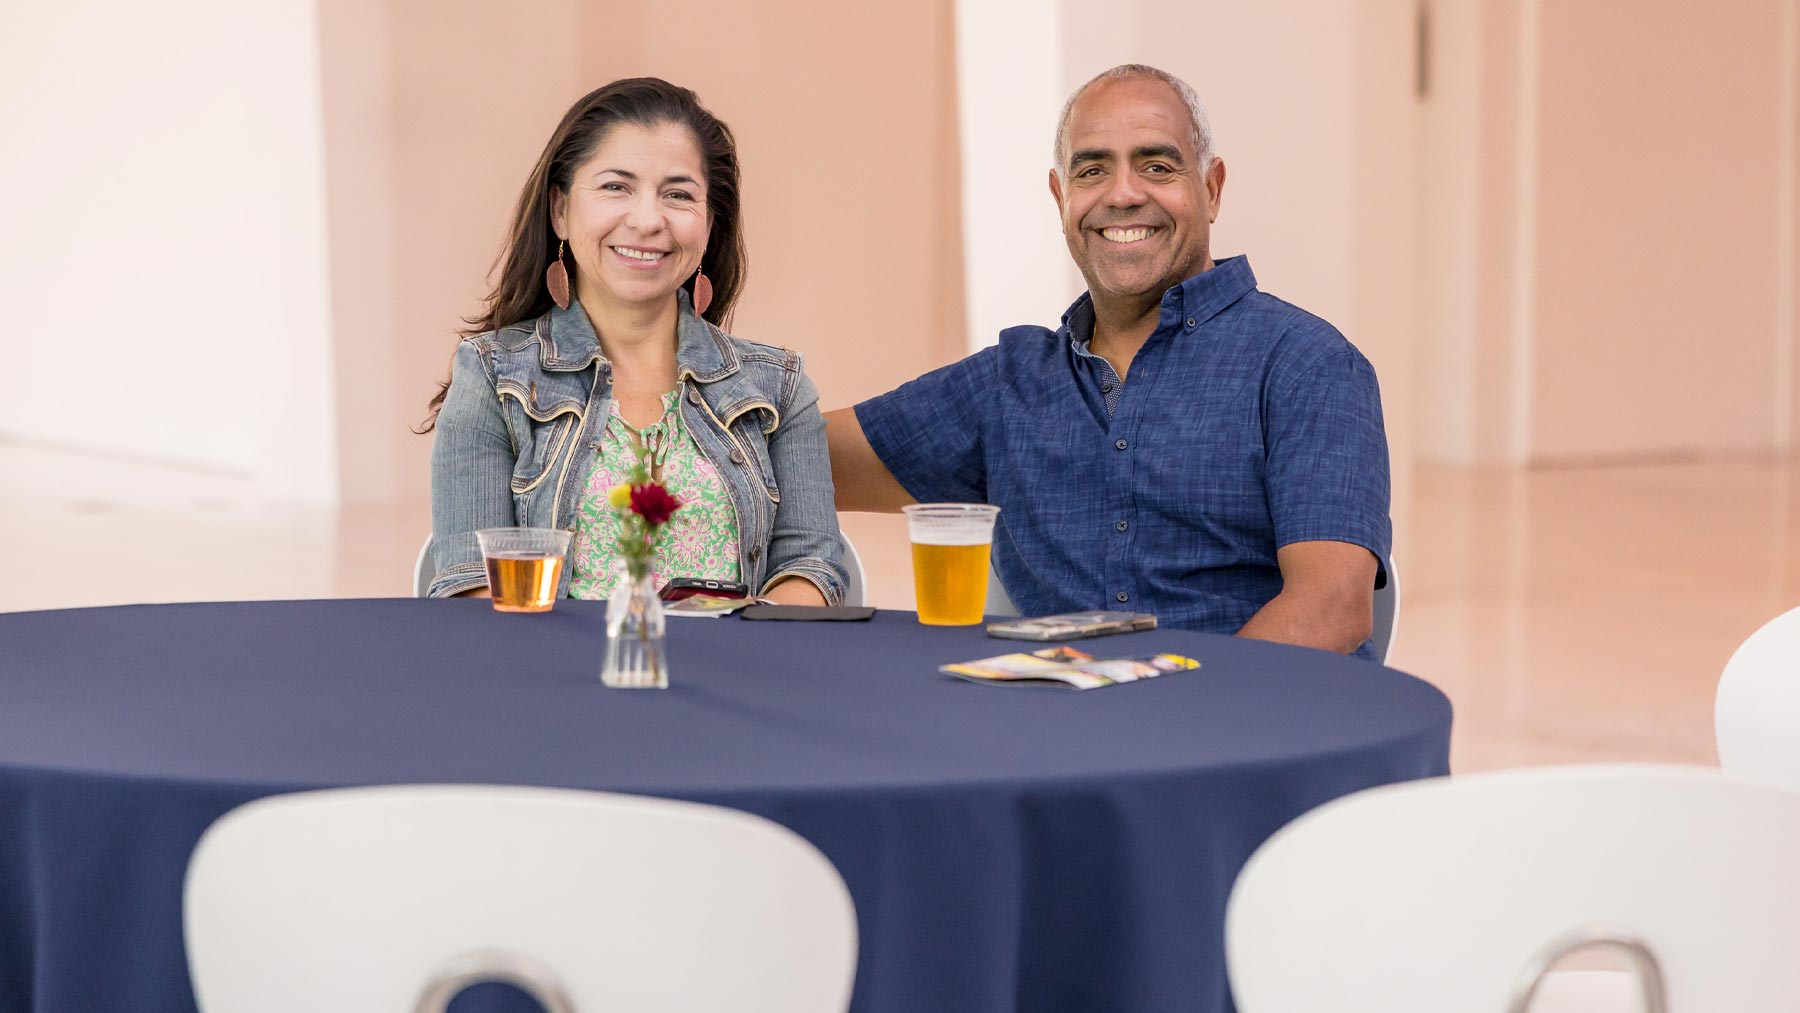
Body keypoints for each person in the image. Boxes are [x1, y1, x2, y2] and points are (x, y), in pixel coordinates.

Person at [826, 64, 1389, 657]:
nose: (1122, 194)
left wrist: (1169, 718)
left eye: (1157, 166)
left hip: (1253, 731)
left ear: (1212, 188)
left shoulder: (1308, 366)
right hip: (1069, 730)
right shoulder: (1009, 383)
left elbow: (1331, 609)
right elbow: (795, 460)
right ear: (1060, 196)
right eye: (1092, 170)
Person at [426, 78, 844, 605]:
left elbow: (811, 565)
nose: (648, 220)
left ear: (710, 224)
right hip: (551, 681)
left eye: (678, 194)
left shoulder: (778, 386)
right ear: (560, 210)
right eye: (615, 187)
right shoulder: (492, 375)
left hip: (734, 677)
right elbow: (470, 586)